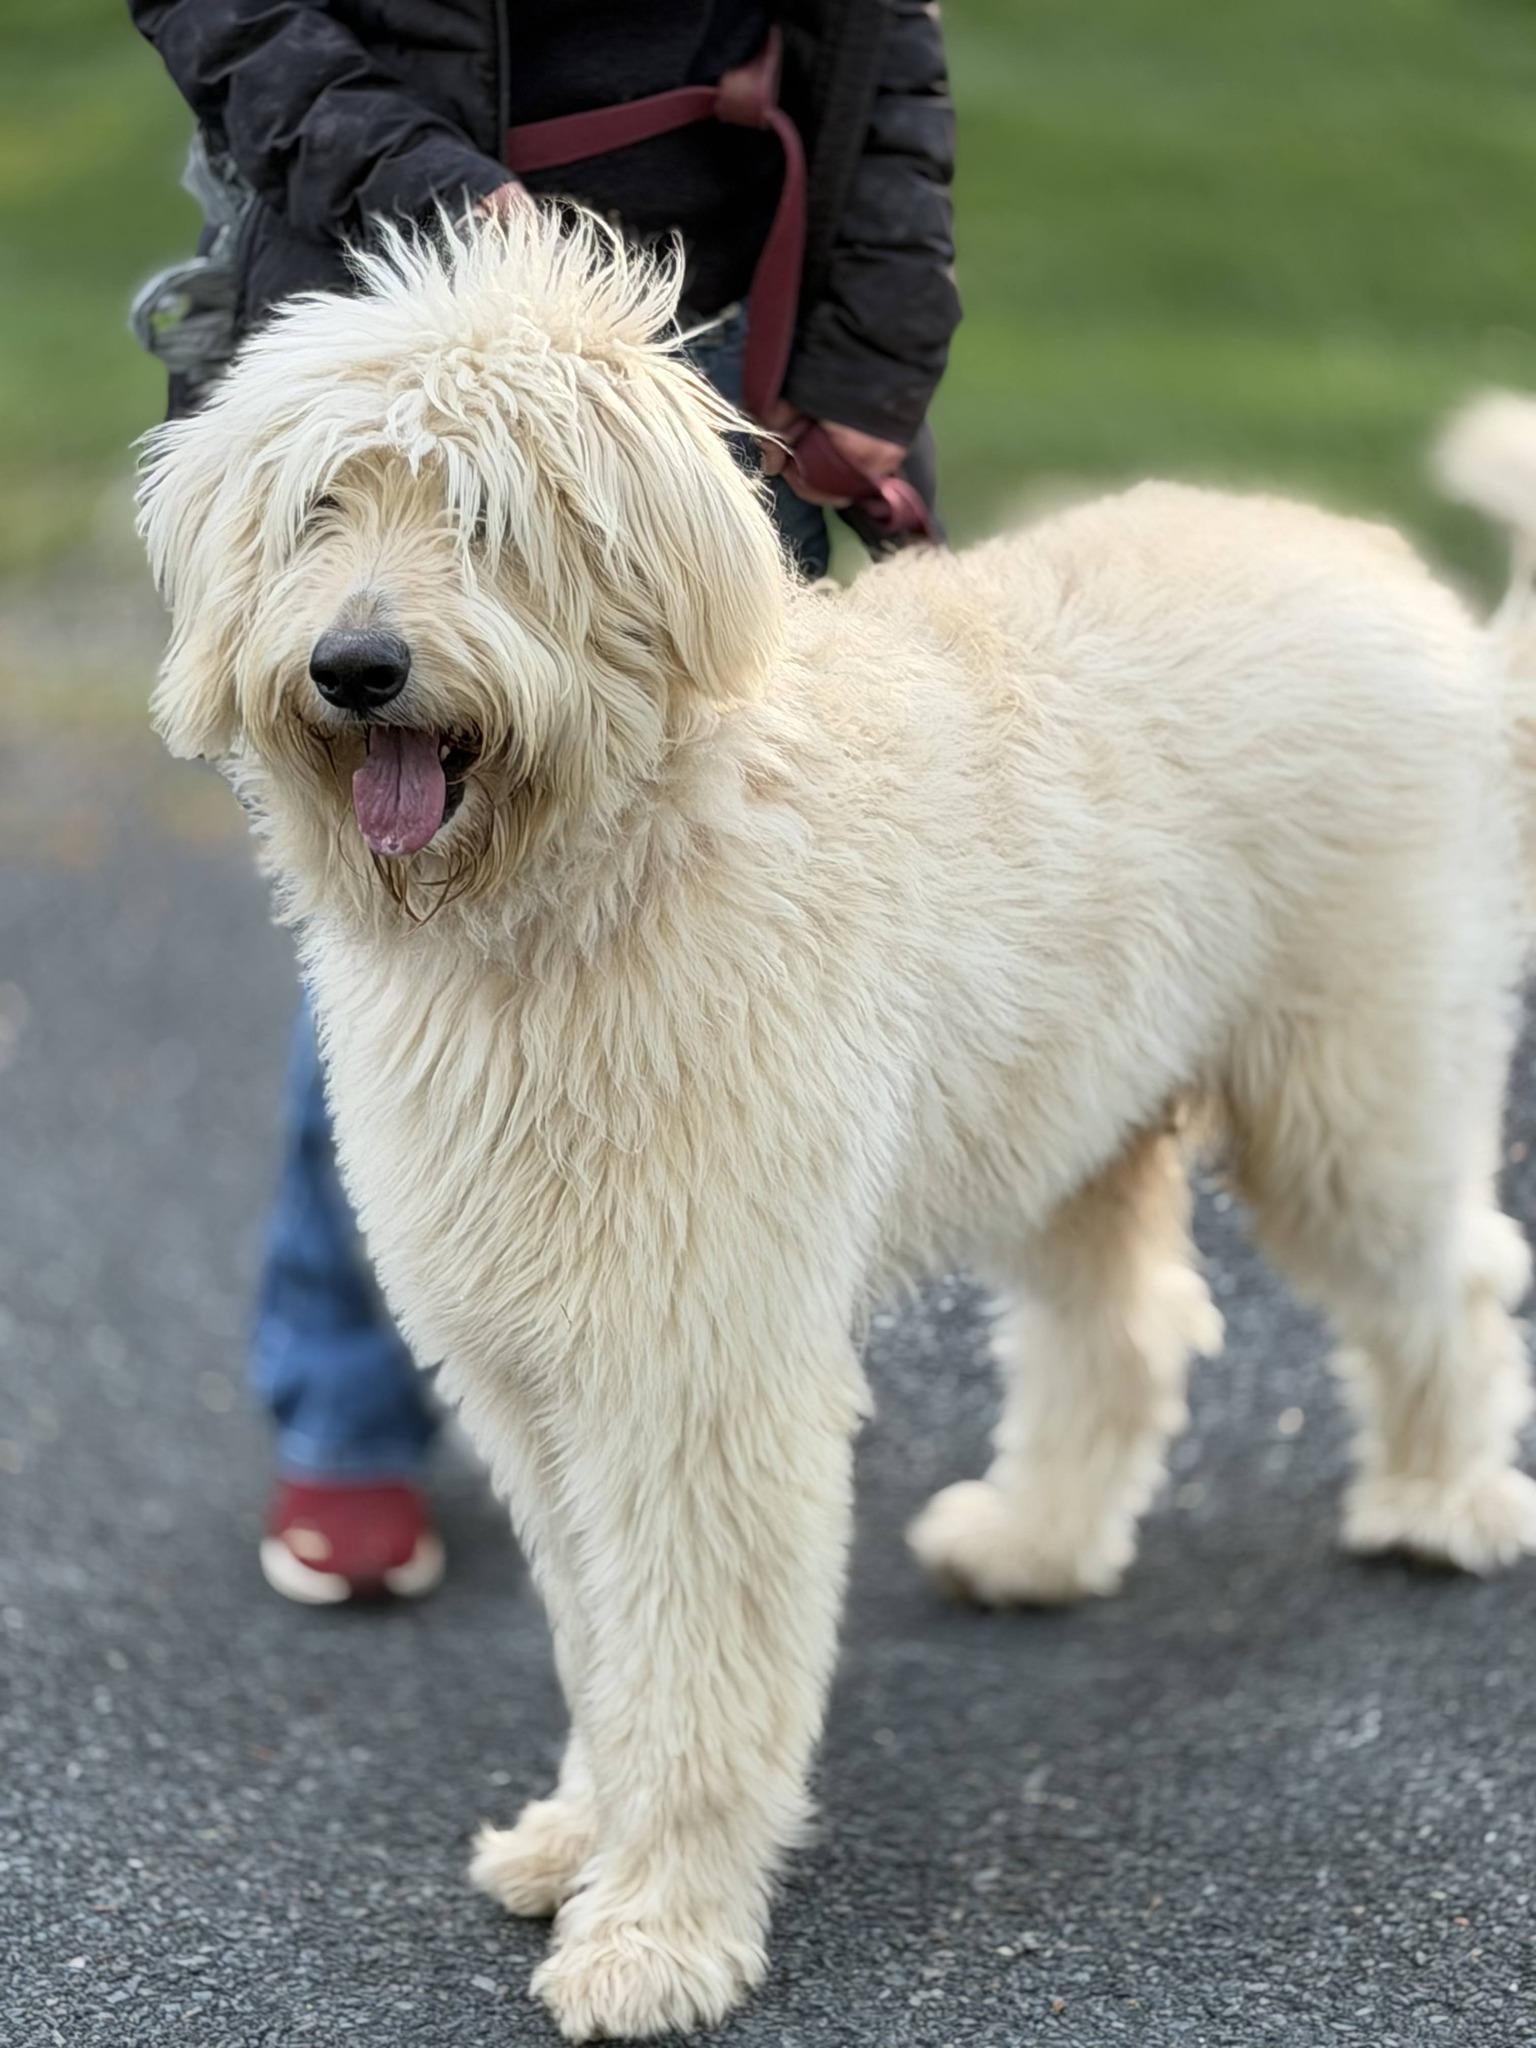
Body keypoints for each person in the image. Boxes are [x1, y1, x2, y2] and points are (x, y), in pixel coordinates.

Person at [129, 0, 960, 1602]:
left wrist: (874, 350)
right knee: (404, 943)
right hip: (381, 314)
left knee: (731, 933)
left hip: (717, 361)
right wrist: (422, 183)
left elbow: (887, 44)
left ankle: (704, 1375)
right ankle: (355, 1417)